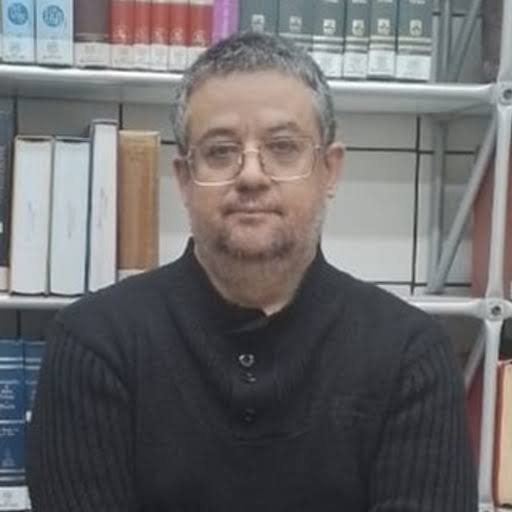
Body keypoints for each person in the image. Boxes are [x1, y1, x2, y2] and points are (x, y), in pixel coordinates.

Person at [27, 31, 477, 511]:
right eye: (220, 151)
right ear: (184, 179)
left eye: (282, 146)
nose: (251, 175)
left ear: (329, 170)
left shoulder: (411, 356)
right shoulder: (95, 346)